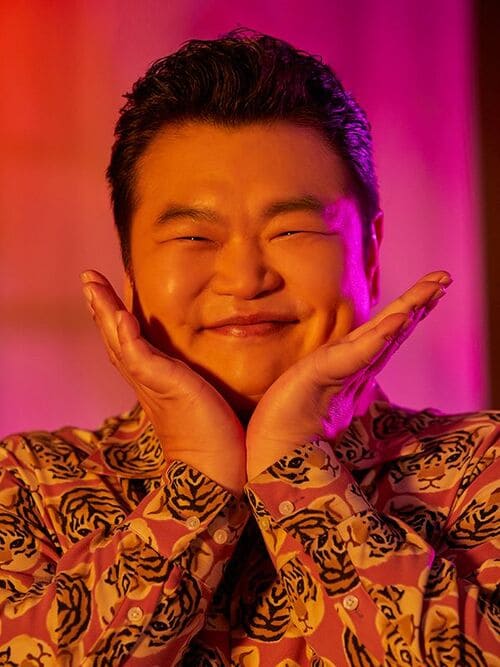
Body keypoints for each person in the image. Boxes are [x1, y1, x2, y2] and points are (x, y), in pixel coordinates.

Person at [0, 29, 498, 666]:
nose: (245, 279)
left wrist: (296, 462)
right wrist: (198, 476)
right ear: (130, 272)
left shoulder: (479, 470)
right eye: (193, 238)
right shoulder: (29, 486)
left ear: (369, 253)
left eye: (290, 230)